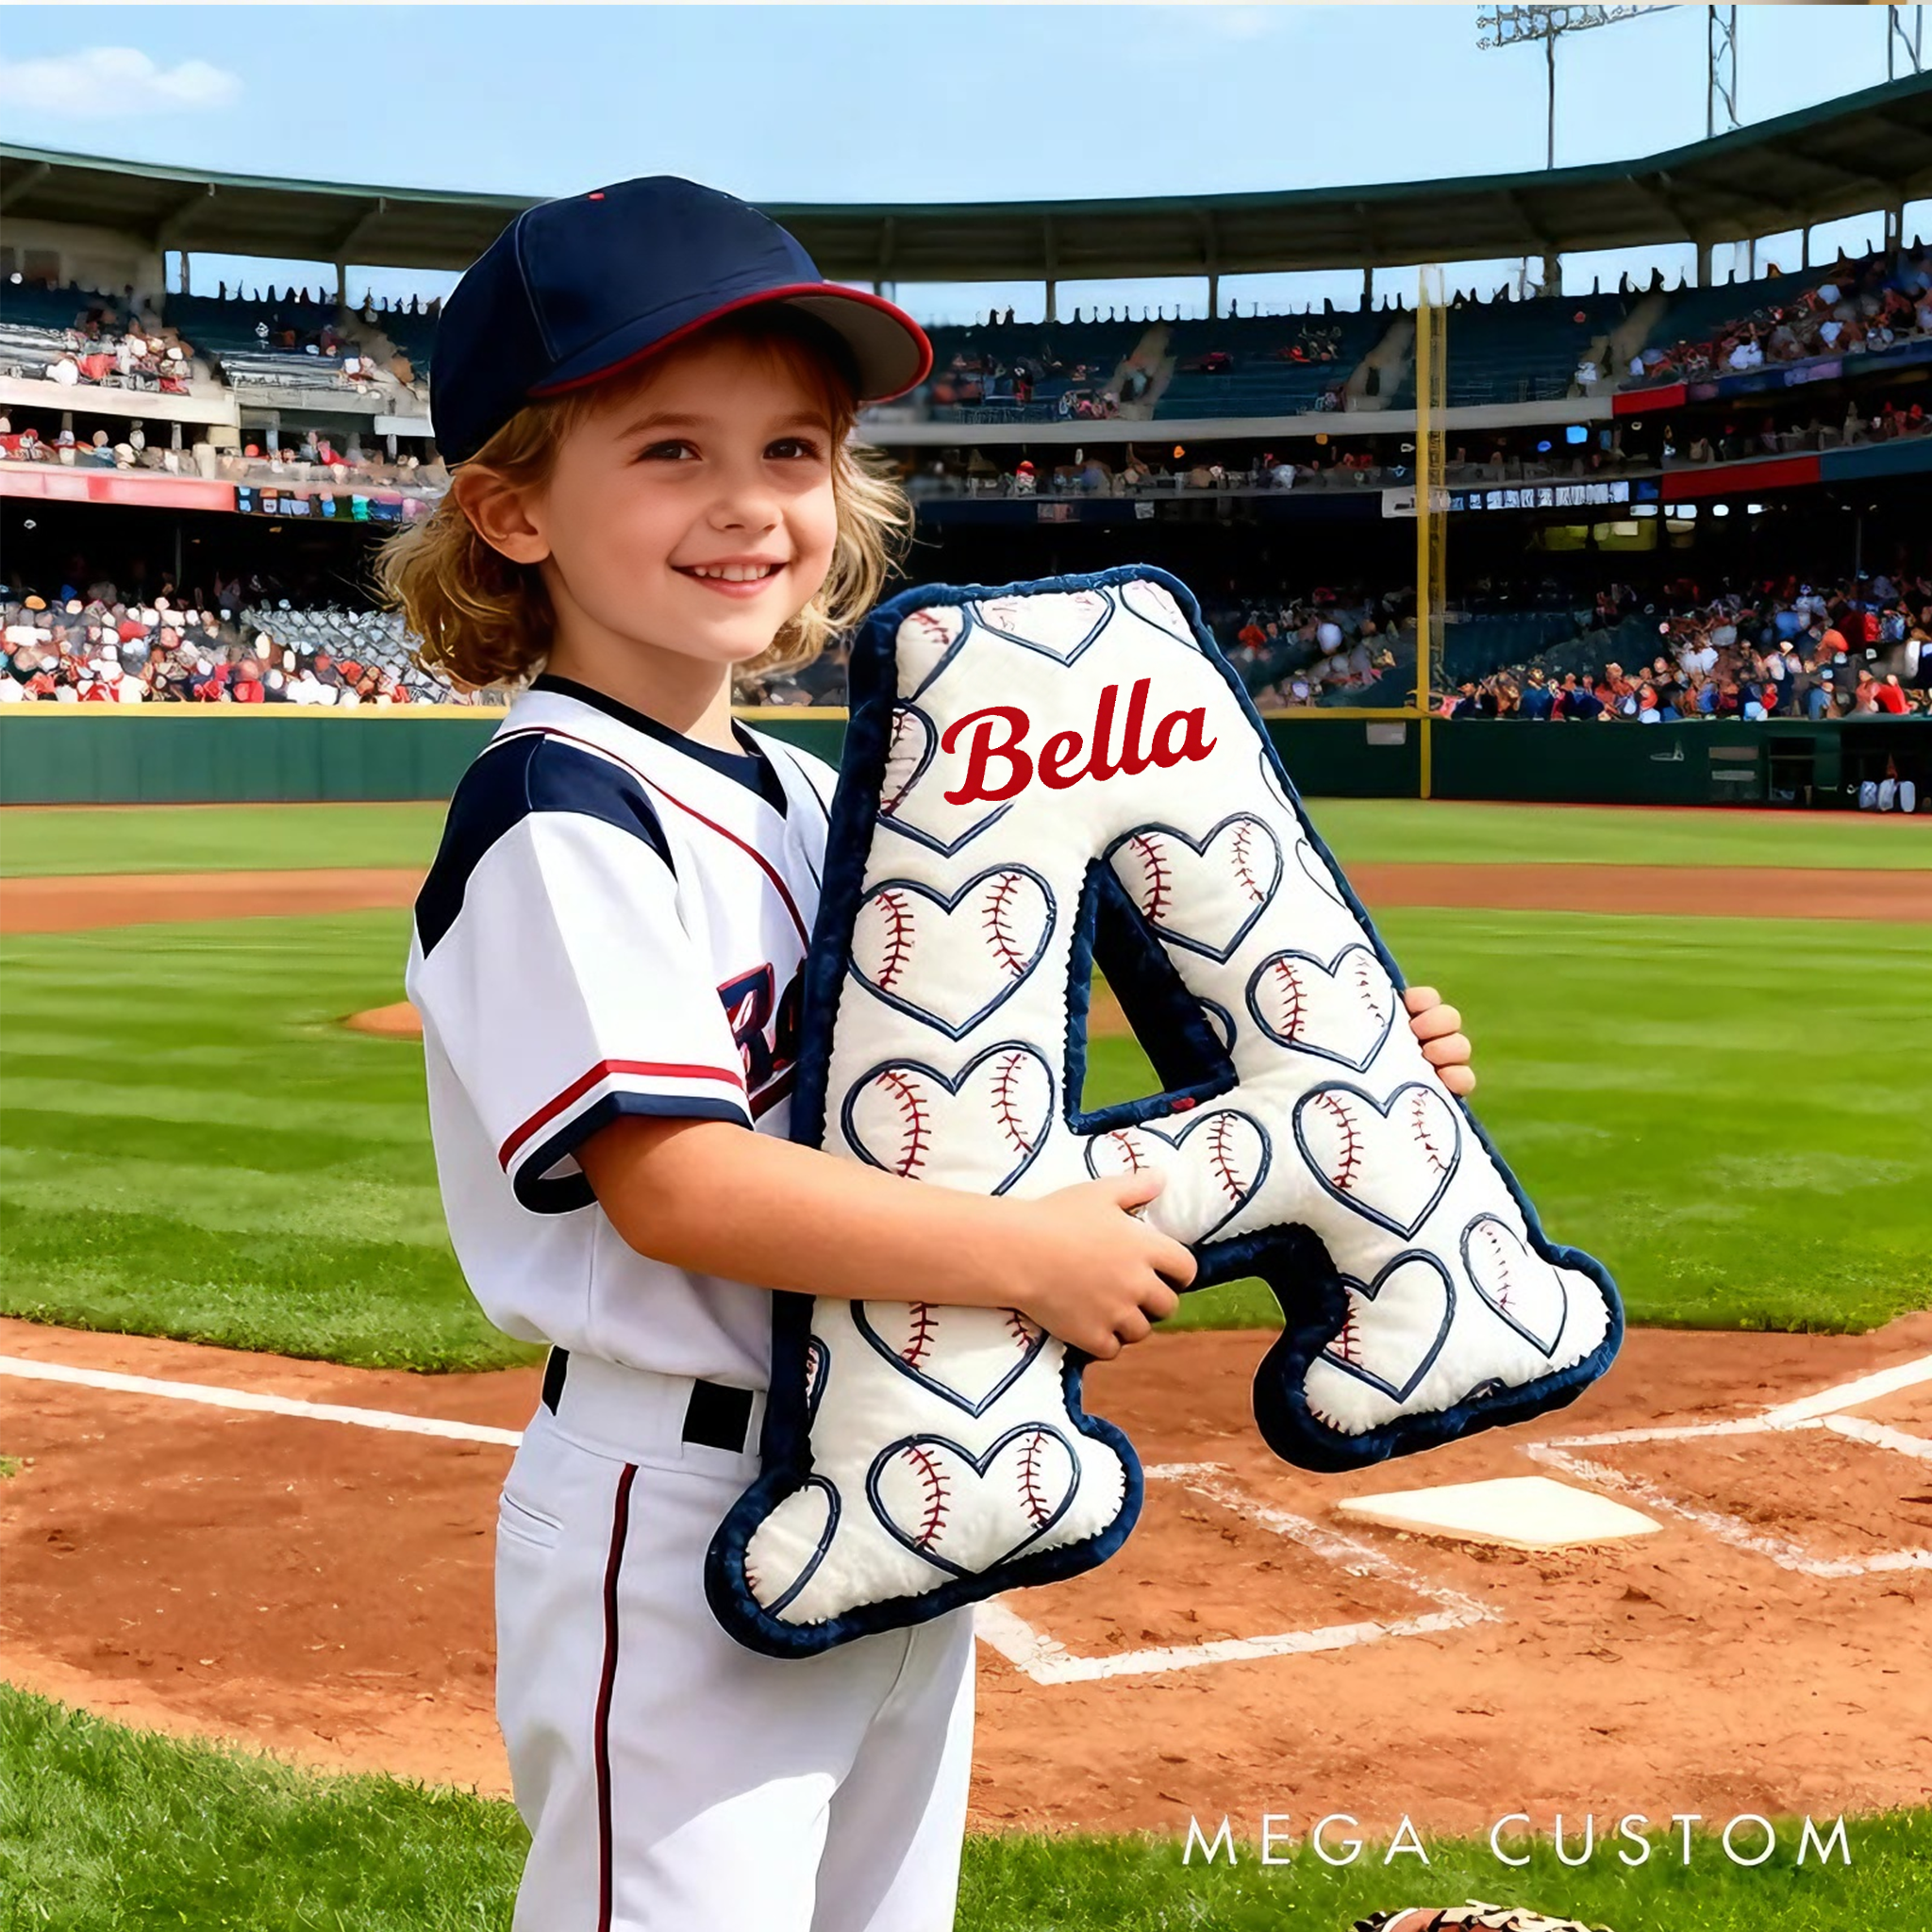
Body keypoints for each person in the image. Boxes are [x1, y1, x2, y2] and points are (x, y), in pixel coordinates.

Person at [380, 174, 1475, 1932]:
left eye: (795, 452)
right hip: (679, 1504)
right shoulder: (555, 809)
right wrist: (1024, 1254)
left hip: (908, 1467)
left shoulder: (827, 801)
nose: (749, 506)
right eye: (670, 452)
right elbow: (678, 1183)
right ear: (510, 512)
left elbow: (975, 1088)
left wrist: (1337, 1081)